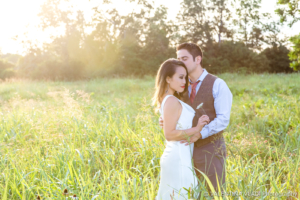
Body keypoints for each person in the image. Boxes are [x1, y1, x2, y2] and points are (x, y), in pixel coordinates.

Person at [159, 43, 233, 199]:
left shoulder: (218, 84)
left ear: (198, 59)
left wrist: (200, 133)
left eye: (184, 58)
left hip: (210, 149)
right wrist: (165, 121)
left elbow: (223, 119)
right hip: (184, 151)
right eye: (178, 58)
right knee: (190, 194)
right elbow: (174, 112)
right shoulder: (180, 86)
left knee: (214, 193)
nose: (180, 62)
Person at [152, 58, 210, 200]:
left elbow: (173, 125)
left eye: (185, 77)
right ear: (168, 79)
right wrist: (197, 128)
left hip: (180, 153)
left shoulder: (169, 99)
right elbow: (170, 135)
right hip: (177, 155)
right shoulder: (171, 100)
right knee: (184, 195)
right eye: (181, 77)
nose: (185, 81)